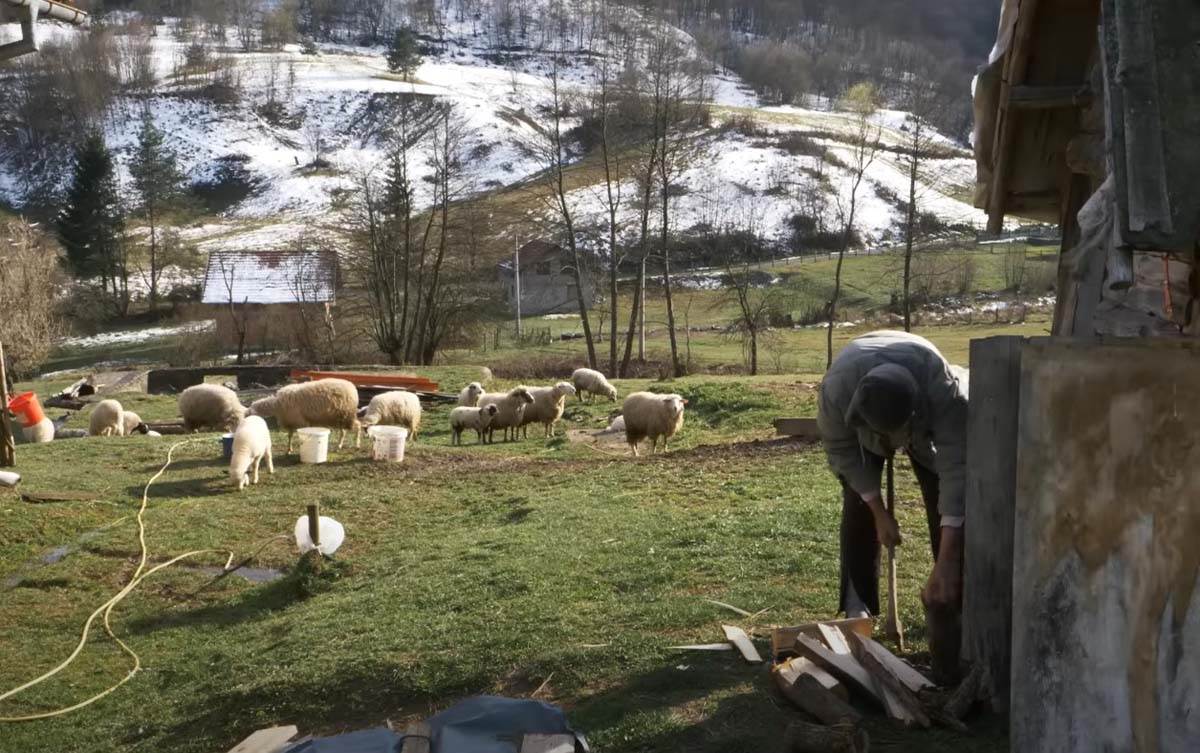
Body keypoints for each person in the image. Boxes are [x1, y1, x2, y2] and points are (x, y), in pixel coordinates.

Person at [816, 330, 968, 618]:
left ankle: (950, 590)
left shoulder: (942, 389)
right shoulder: (836, 392)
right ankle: (858, 604)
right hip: (862, 415)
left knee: (942, 496)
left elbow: (956, 468)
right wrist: (878, 511)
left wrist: (949, 555)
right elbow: (841, 449)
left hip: (923, 423)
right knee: (857, 502)